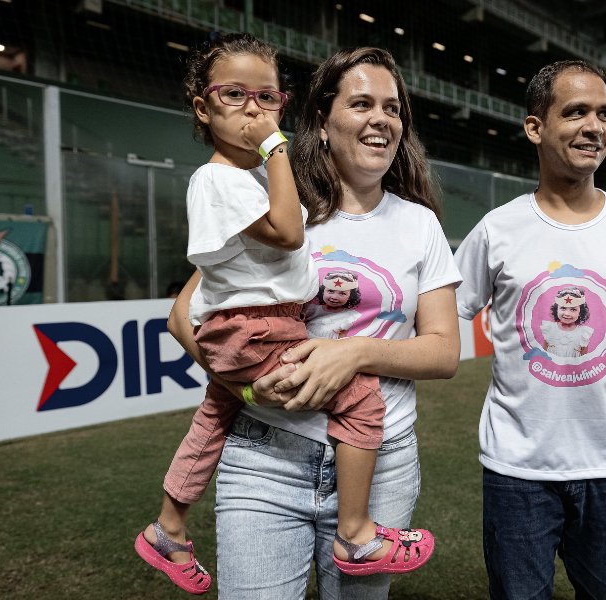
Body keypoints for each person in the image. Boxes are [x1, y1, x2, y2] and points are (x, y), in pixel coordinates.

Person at [134, 37, 435, 596]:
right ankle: (354, 533)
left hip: (381, 462)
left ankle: (169, 526)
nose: (379, 119)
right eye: (361, 104)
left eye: (393, 108)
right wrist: (247, 390)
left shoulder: (417, 224)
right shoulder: (274, 198)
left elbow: (442, 351)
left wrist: (353, 353)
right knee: (306, 403)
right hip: (265, 457)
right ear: (320, 120)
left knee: (211, 419)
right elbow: (184, 317)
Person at [453, 60, 606, 599]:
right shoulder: (497, 230)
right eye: (576, 112)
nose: (595, 126)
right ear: (535, 127)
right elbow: (443, 318)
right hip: (516, 469)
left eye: (604, 114)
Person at [306, 270, 364, 339]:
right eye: (331, 291)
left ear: (350, 297)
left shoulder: (350, 315)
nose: (334, 297)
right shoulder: (312, 309)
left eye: (342, 293)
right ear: (322, 291)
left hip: (331, 345)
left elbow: (343, 336)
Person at [540, 286, 594, 357]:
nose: (567, 314)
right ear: (556, 309)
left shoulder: (583, 333)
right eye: (563, 308)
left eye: (573, 309)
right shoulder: (549, 329)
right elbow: (543, 354)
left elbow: (583, 358)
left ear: (580, 312)